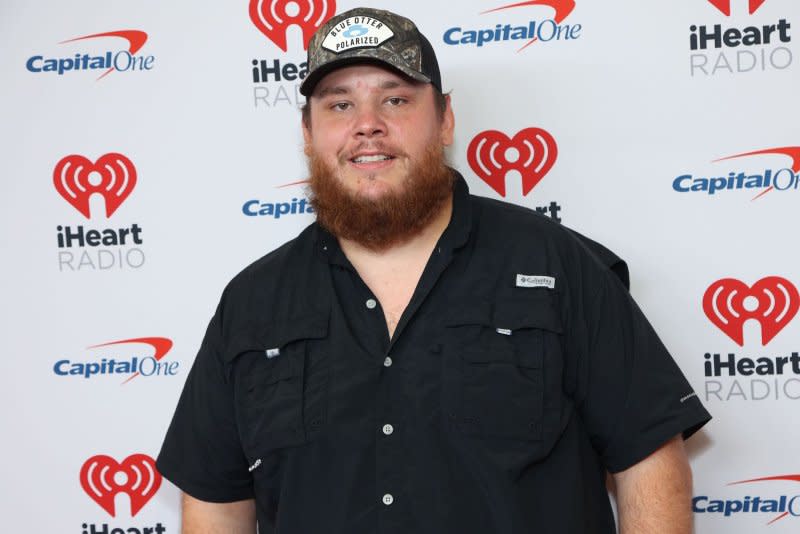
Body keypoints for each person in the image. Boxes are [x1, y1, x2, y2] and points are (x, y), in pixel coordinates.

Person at [157, 7, 711, 533]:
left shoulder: (558, 265)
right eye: (339, 105)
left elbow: (650, 462)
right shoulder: (253, 302)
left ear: (445, 119)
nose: (367, 126)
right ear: (307, 133)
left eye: (396, 100)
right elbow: (216, 503)